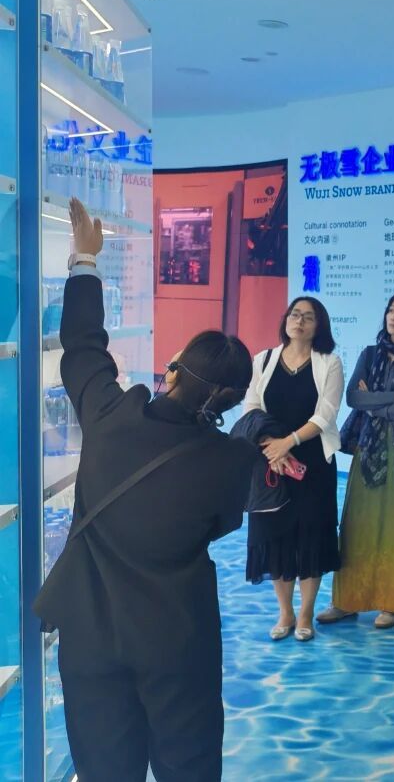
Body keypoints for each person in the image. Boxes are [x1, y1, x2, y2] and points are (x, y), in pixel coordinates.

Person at [34, 199, 258, 781]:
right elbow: (221, 523)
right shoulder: (229, 461)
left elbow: (83, 346)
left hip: (92, 635)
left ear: (173, 372)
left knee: (106, 770)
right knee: (188, 768)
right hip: (176, 641)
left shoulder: (110, 416)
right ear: (231, 401)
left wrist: (86, 260)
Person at [317, 292, 394, 629]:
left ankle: (393, 601)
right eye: (391, 310)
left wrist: (377, 405)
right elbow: (353, 397)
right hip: (369, 447)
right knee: (359, 521)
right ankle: (347, 600)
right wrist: (391, 398)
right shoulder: (369, 354)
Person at [243, 296, 345, 642]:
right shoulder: (263, 360)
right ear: (286, 320)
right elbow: (251, 407)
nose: (299, 321)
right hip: (271, 461)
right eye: (294, 314)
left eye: (308, 317)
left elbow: (326, 414)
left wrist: (288, 442)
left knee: (311, 535)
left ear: (319, 326)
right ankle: (285, 612)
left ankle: (305, 613)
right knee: (275, 534)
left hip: (313, 462)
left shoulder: (329, 363)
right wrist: (270, 447)